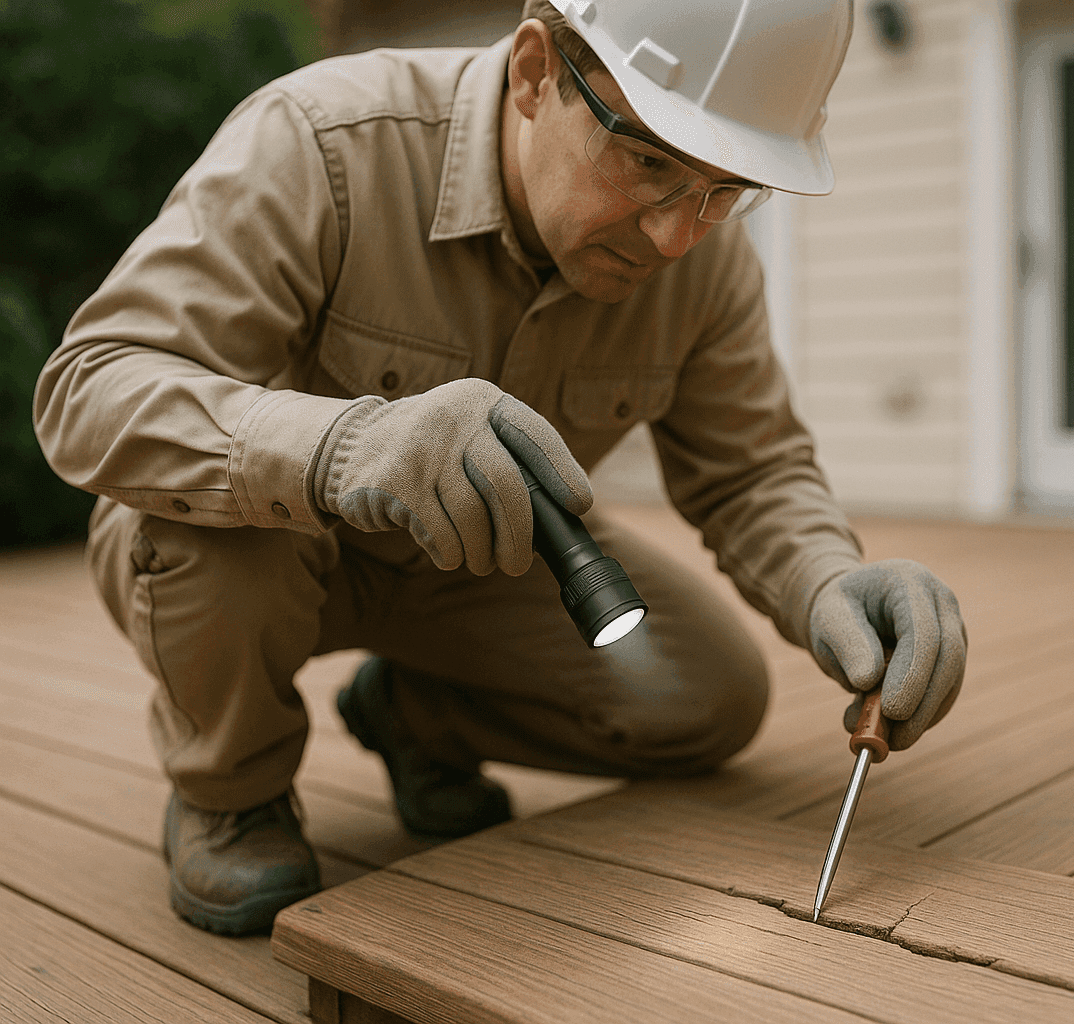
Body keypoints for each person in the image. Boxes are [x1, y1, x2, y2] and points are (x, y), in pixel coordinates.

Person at [32, 0, 966, 936]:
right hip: (257, 551)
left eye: (727, 191)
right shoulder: (322, 142)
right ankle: (229, 789)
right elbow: (89, 385)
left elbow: (752, 472)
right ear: (534, 71)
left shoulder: (703, 260)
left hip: (479, 566)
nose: (677, 236)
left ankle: (415, 716)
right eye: (651, 164)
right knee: (209, 532)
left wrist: (829, 577)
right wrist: (347, 446)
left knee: (707, 698)